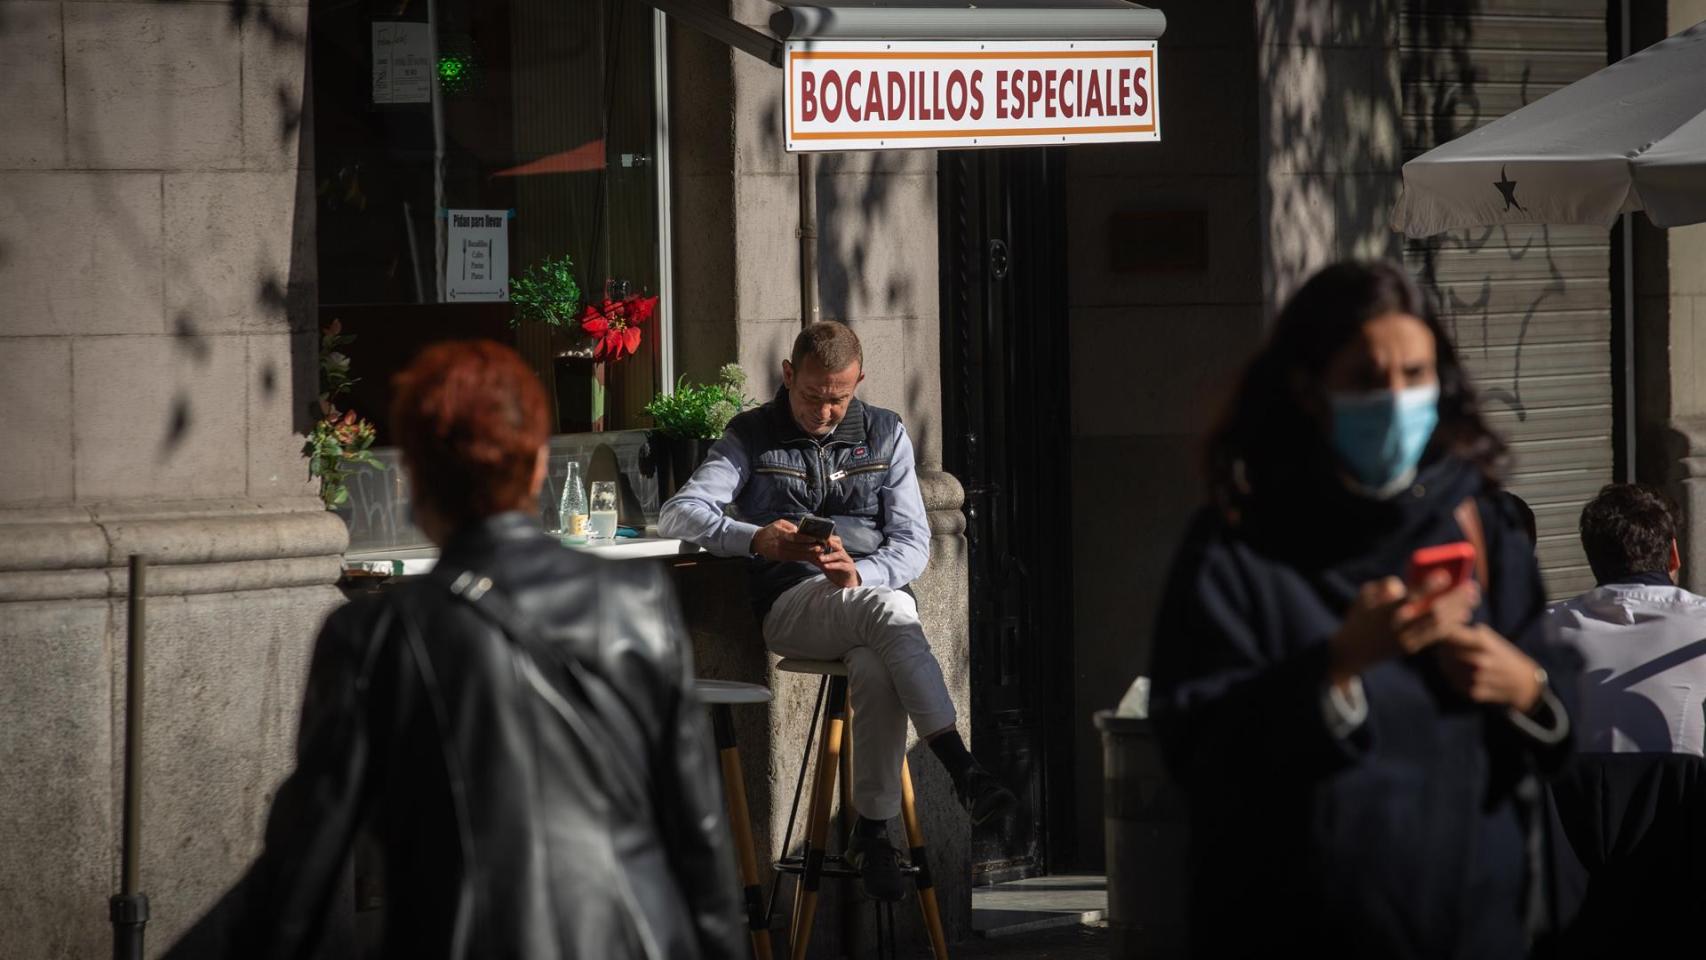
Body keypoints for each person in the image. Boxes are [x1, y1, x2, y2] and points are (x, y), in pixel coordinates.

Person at [165, 341, 746, 959]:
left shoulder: (370, 637)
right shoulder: (638, 600)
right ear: (533, 469)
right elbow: (700, 837)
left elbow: (301, 872)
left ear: (414, 483)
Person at [1147, 260, 1576, 958]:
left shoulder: (1479, 524)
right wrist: (1339, 666)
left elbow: (1562, 715)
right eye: (1369, 379)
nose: (1396, 400)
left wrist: (1525, 687)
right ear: (1311, 390)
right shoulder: (1241, 543)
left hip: (1471, 928)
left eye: (1416, 375)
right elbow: (1197, 747)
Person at [659, 321, 1015, 903]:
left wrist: (861, 574)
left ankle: (872, 832)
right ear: (788, 375)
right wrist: (755, 538)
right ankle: (961, 770)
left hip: (868, 598)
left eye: (839, 397)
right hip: (792, 603)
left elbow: (913, 544)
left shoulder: (885, 433)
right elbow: (681, 513)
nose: (826, 410)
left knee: (877, 657)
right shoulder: (749, 435)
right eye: (813, 396)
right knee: (891, 610)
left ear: (859, 382)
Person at [1544, 483, 1706, 956]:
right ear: (1673, 554)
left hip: (1568, 899)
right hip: (1685, 884)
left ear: (1593, 561)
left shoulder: (1538, 631)